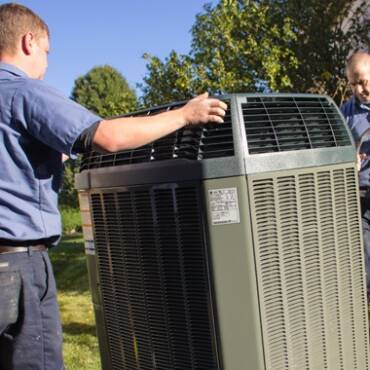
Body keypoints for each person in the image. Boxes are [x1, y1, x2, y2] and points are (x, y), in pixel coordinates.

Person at [0, 3, 227, 370]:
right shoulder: (24, 92)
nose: (45, 65)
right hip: (18, 266)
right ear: (29, 41)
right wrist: (185, 115)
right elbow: (106, 136)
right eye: (46, 52)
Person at [341, 51, 370, 304]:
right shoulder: (345, 114)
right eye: (354, 83)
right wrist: (348, 160)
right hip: (362, 198)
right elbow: (334, 153)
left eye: (364, 81)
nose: (360, 88)